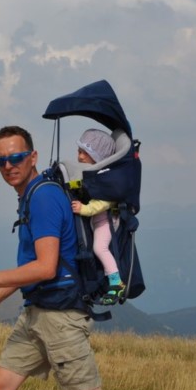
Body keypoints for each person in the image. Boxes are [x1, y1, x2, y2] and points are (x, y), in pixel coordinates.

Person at [0, 125, 106, 390]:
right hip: (38, 310)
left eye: (16, 157)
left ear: (33, 157)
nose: (8, 166)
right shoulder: (31, 194)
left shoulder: (43, 197)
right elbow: (34, 264)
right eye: (0, 161)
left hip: (61, 317)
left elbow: (46, 268)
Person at [71, 128, 125, 305]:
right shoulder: (97, 174)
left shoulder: (105, 178)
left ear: (97, 156)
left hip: (106, 221)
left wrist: (84, 209)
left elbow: (105, 202)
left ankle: (117, 283)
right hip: (100, 220)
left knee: (99, 248)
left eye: (83, 153)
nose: (79, 157)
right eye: (79, 152)